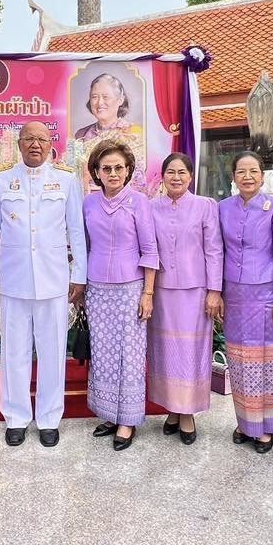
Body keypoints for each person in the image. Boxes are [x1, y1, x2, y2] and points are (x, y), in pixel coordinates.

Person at [0, 120, 87, 448]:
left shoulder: (66, 180)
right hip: (13, 282)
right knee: (15, 352)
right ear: (19, 143)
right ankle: (15, 417)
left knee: (54, 352)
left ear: (50, 143)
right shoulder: (0, 181)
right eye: (29, 139)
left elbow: (77, 231)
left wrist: (79, 275)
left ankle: (49, 418)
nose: (35, 145)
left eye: (41, 139)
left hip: (54, 281)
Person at [84, 140, 160, 450]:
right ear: (97, 172)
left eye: (119, 167)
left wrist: (148, 292)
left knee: (129, 354)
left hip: (131, 288)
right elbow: (84, 244)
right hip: (97, 288)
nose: (113, 173)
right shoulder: (88, 203)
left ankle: (127, 420)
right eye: (106, 168)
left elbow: (150, 249)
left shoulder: (139, 201)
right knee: (102, 353)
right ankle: (108, 414)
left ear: (128, 171)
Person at [218, 151, 273, 454]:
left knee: (267, 361)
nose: (247, 176)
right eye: (241, 171)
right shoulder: (222, 208)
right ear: (233, 177)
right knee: (238, 359)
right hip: (233, 294)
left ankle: (266, 427)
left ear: (262, 176)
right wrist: (217, 292)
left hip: (266, 293)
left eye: (253, 171)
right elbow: (217, 250)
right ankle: (245, 421)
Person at [147, 153, 222, 444]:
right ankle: (172, 409)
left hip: (195, 291)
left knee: (191, 353)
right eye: (171, 172)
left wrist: (214, 290)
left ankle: (187, 412)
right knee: (165, 352)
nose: (176, 177)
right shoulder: (151, 207)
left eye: (182, 172)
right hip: (162, 291)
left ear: (191, 176)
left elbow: (214, 250)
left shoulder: (205, 206)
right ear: (162, 176)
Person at [73, 73, 135, 143]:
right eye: (94, 97)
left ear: (120, 100)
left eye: (105, 97)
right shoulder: (81, 135)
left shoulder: (133, 133)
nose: (100, 102)